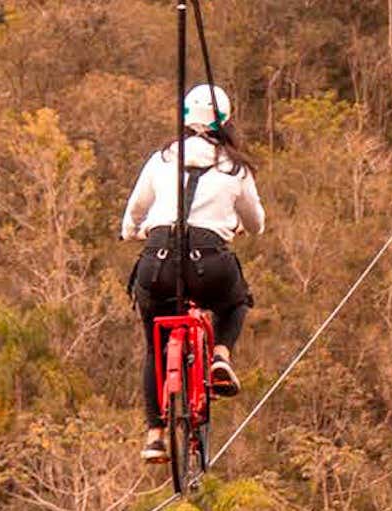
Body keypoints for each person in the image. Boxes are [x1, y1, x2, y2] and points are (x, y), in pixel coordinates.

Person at [122, 84, 264, 463]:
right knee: (236, 303)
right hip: (210, 263)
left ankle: (154, 435)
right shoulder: (235, 166)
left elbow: (135, 209)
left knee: (154, 346)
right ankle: (219, 352)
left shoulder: (162, 159)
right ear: (226, 121)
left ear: (185, 118)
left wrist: (131, 230)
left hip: (157, 262)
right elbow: (257, 222)